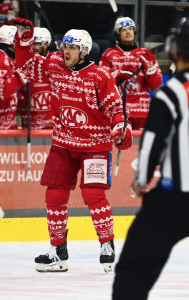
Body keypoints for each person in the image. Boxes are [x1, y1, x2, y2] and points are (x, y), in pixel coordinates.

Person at [13, 17, 133, 273]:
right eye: (64, 46)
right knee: (54, 196)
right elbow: (26, 67)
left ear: (84, 51)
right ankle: (57, 251)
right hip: (63, 144)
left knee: (93, 195)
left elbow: (115, 109)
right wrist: (23, 40)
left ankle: (107, 245)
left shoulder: (100, 75)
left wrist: (120, 129)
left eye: (72, 47)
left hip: (95, 145)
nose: (66, 51)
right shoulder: (55, 64)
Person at [112, 17, 189, 300]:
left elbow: (153, 142)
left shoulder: (172, 93)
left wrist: (142, 180)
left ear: (175, 51)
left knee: (133, 273)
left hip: (174, 200)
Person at [99, 17, 163, 130]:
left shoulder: (146, 54)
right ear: (117, 34)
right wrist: (115, 77)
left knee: (140, 147)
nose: (128, 32)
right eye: (123, 29)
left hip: (142, 112)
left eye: (130, 29)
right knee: (120, 146)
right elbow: (100, 86)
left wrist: (150, 67)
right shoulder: (108, 54)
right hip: (117, 112)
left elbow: (155, 85)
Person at [17, 26, 53, 129]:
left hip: (53, 127)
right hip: (30, 126)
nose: (33, 47)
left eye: (36, 44)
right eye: (31, 44)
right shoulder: (23, 63)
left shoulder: (56, 61)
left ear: (46, 44)